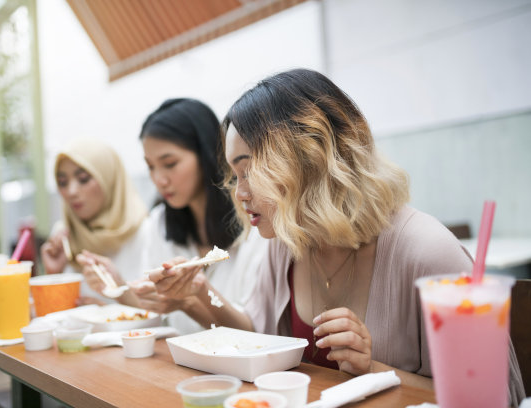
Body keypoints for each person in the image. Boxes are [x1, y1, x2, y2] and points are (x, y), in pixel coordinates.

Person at [147, 69, 525, 403]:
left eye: (250, 170)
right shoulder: (286, 244)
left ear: (309, 158)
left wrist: (371, 367)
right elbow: (256, 335)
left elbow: (493, 398)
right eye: (234, 174)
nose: (239, 192)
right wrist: (198, 294)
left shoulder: (426, 251)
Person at [80, 98, 268, 334]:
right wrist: (117, 286)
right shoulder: (160, 224)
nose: (159, 179)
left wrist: (188, 301)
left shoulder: (257, 223)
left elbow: (257, 333)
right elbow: (160, 314)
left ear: (206, 154)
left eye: (169, 163)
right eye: (150, 166)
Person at [40, 138, 148, 303]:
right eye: (63, 182)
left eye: (83, 179)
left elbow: (165, 318)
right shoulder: (63, 237)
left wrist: (111, 308)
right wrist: (54, 275)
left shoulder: (145, 232)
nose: (71, 191)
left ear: (109, 179)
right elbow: (55, 318)